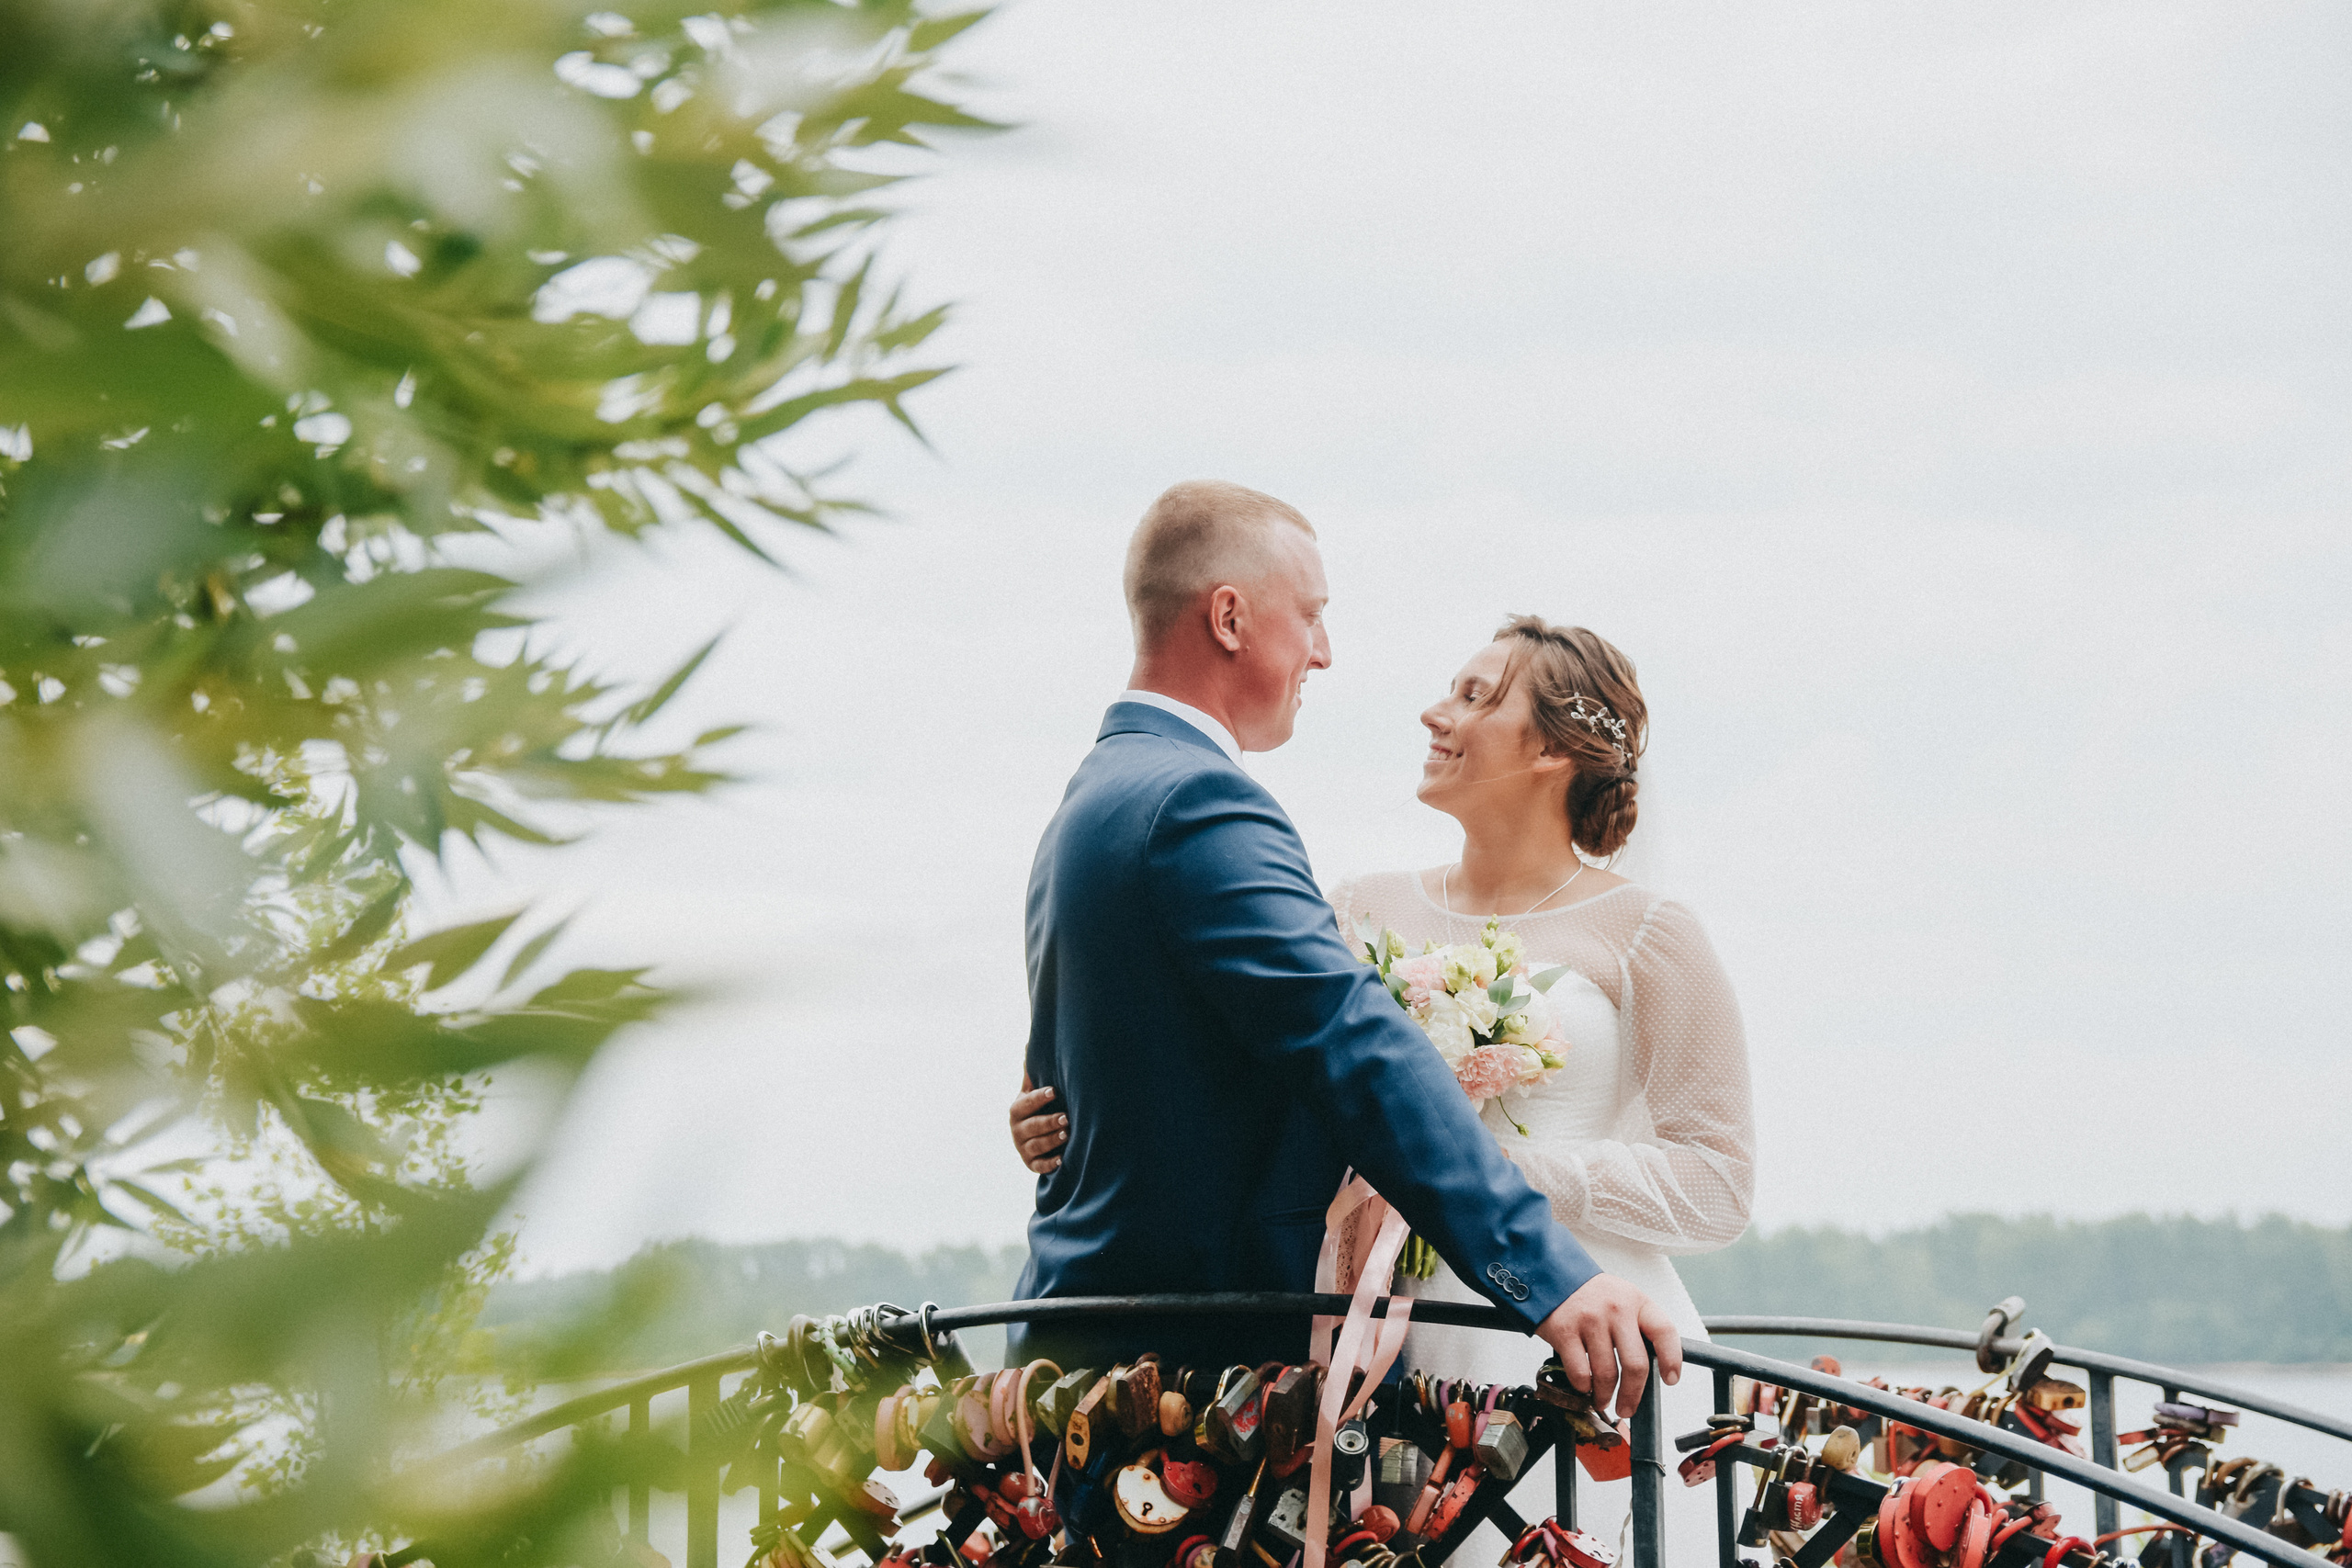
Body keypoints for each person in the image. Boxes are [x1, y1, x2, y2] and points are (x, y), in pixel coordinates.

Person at [1015, 610, 1756, 1559]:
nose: (1433, 714)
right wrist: (1071, 1112)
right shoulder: (1360, 904)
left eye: (1475, 697)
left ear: (1555, 752)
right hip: (1364, 1342)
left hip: (1564, 1333)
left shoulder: (1649, 935)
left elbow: (1716, 1185)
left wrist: (1494, 1166)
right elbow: (1275, 1071)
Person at [1003, 479, 1682, 1427]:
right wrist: (1550, 1277)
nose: (1323, 651)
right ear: (1231, 617)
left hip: (1091, 1350)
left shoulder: (1100, 796)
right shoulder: (1198, 805)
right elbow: (1351, 1043)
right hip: (1181, 1377)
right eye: (1311, 616)